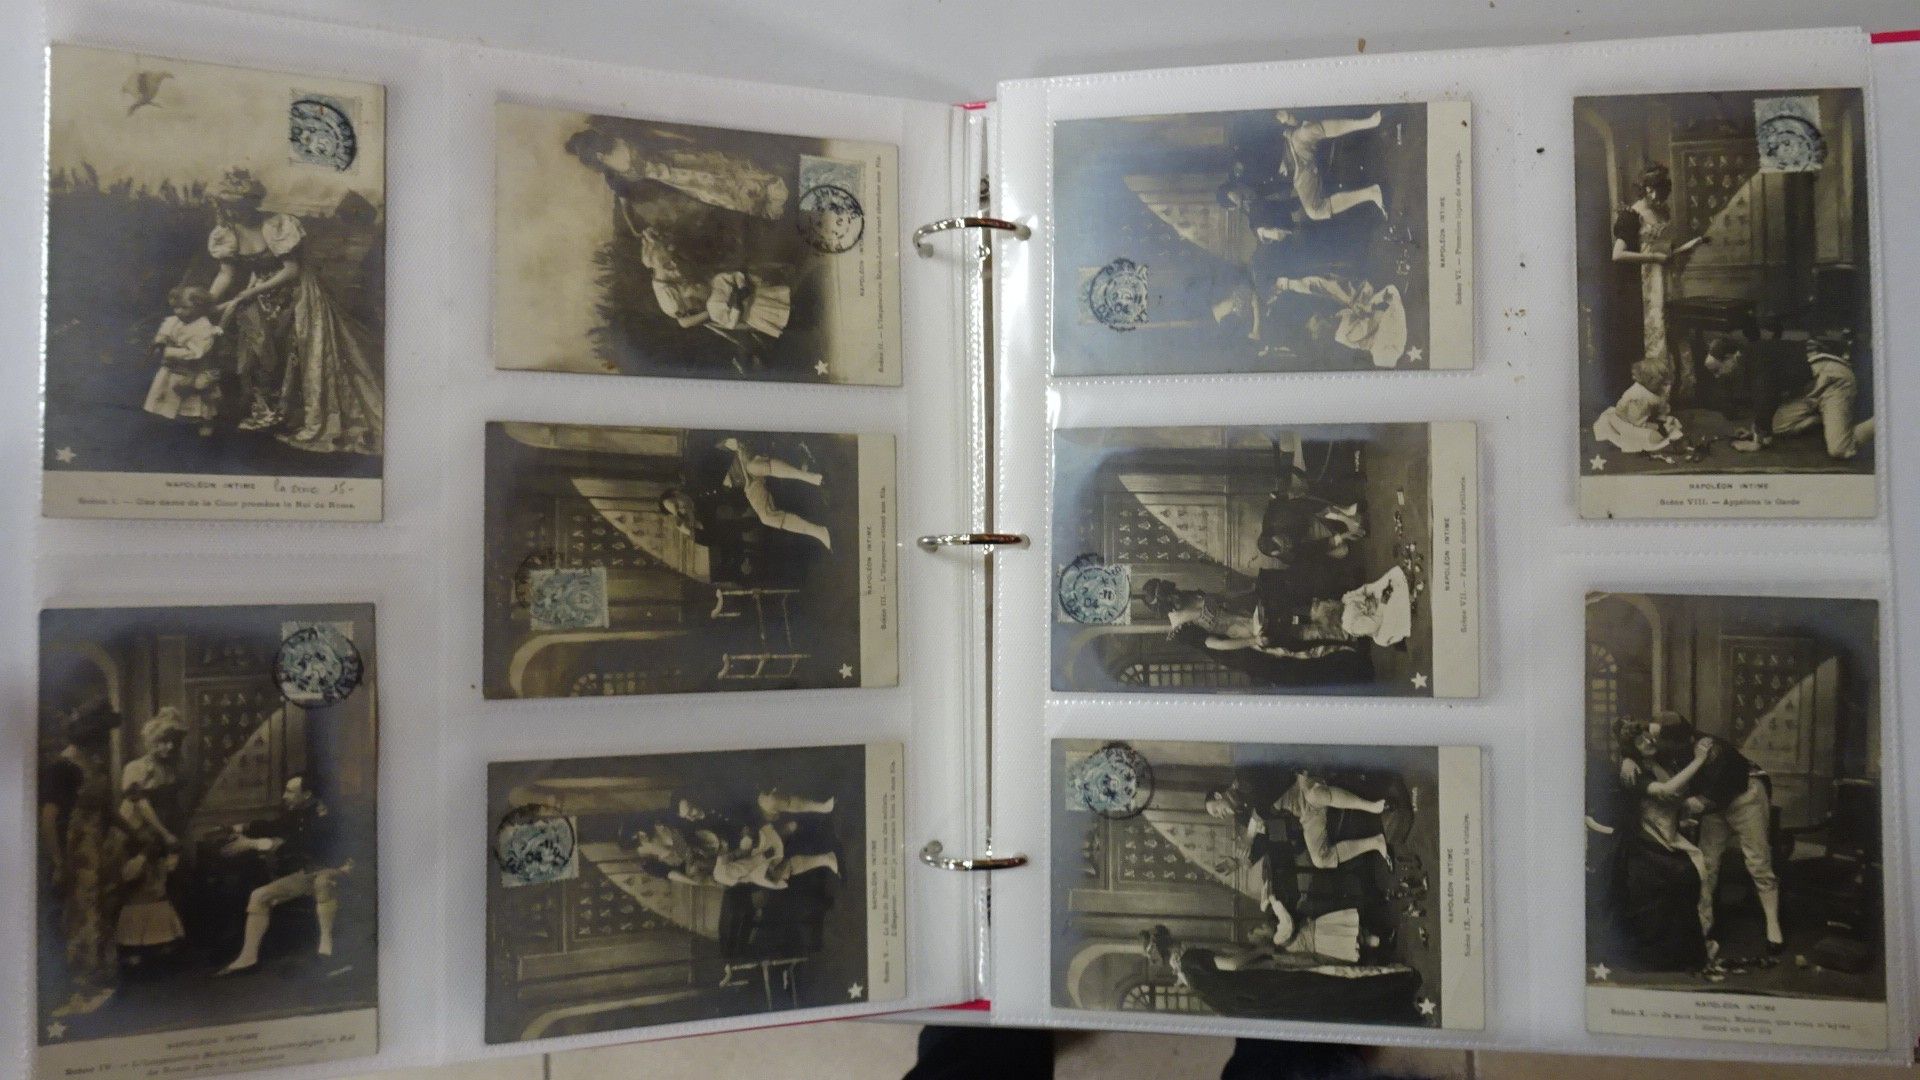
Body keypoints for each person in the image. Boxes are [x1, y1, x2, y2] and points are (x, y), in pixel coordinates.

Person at [206, 167, 383, 454]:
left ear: (251, 202)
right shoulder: (226, 233)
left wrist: (248, 294)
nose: (230, 212)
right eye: (225, 206)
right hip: (261, 293)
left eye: (236, 205)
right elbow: (226, 273)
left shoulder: (276, 225)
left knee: (299, 351)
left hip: (297, 292)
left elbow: (291, 270)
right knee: (260, 353)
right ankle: (268, 412)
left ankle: (294, 414)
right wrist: (207, 302)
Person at [1652, 713, 1784, 957]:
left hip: (1745, 797)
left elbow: (1714, 792)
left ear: (1681, 740)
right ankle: (1703, 927)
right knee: (1707, 863)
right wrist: (1628, 760)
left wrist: (1686, 803)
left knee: (1758, 861)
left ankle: (1773, 925)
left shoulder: (1712, 750)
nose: (1660, 746)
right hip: (1714, 806)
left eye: (1665, 742)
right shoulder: (1669, 747)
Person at [1140, 925, 1422, 1025]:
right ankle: (1400, 979)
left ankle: (1397, 1006)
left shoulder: (1190, 981)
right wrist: (1261, 950)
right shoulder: (1191, 958)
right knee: (1328, 980)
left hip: (1258, 1008)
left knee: (1324, 1005)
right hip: (1266, 987)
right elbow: (1233, 965)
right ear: (1170, 944)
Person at [1605, 719, 1716, 972]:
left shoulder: (1659, 760)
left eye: (1648, 736)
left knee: (1695, 871)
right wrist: (1699, 760)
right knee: (1683, 874)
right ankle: (1674, 952)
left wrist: (1680, 819)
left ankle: (1695, 943)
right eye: (1640, 741)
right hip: (1644, 839)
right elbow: (1665, 791)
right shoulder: (1632, 771)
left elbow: (1671, 799)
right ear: (1631, 749)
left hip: (1667, 833)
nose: (1648, 741)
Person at [41, 701, 129, 1018]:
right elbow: (48, 819)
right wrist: (58, 862)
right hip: (75, 854)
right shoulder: (62, 768)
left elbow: (106, 810)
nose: (104, 741)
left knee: (102, 913)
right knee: (82, 917)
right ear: (89, 734)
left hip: (101, 851)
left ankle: (102, 984)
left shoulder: (91, 765)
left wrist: (134, 833)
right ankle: (82, 988)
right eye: (100, 734)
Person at [216, 774, 353, 974]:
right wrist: (241, 827)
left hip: (341, 871)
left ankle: (327, 951)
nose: (284, 796)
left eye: (290, 792)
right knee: (259, 896)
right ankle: (248, 959)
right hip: (310, 873)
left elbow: (298, 843)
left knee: (322, 882)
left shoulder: (326, 815)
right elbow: (275, 825)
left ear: (306, 794)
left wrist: (251, 844)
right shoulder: (299, 812)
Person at [565, 126, 789, 220]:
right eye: (593, 154)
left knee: (721, 168)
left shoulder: (619, 138)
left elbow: (654, 135)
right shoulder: (613, 175)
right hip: (679, 180)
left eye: (593, 148)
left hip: (679, 158)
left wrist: (682, 138)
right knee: (716, 188)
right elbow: (626, 200)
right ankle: (765, 201)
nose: (597, 154)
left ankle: (769, 184)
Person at [1609, 163, 1708, 370]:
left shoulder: (1661, 212)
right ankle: (1658, 380)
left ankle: (1678, 377)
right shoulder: (1631, 215)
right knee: (1656, 326)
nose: (1660, 198)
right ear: (1647, 189)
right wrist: (1654, 258)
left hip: (1667, 278)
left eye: (1664, 193)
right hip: (1645, 282)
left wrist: (1685, 249)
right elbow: (1617, 254)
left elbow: (1666, 249)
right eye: (1657, 192)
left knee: (1674, 325)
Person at [660, 437, 832, 552]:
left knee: (753, 467)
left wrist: (727, 444)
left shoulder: (691, 475)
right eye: (678, 511)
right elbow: (714, 538)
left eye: (677, 504)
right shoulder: (700, 511)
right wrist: (691, 532)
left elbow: (713, 448)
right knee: (766, 517)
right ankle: (820, 532)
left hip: (740, 457)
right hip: (746, 484)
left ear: (676, 493)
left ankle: (813, 478)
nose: (681, 508)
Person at [114, 712, 187, 958]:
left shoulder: (170, 769)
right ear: (150, 742)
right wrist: (164, 834)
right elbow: (141, 804)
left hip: (159, 830)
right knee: (137, 885)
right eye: (162, 742)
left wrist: (172, 836)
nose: (169, 747)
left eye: (173, 742)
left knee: (158, 884)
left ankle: (156, 944)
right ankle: (133, 946)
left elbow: (173, 806)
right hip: (135, 830)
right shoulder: (135, 768)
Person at [1268, 274, 1409, 369]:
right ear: (1315, 336)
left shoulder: (1338, 317)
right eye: (1317, 320)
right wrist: (1370, 306)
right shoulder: (1346, 334)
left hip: (1377, 315)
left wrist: (1288, 284)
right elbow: (1375, 322)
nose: (1320, 316)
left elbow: (1322, 286)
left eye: (1317, 316)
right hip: (1387, 333)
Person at [1269, 110, 1387, 222]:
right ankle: (1371, 193)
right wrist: (1283, 179)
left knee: (1306, 131)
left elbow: (1286, 122)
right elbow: (1276, 193)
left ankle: (1369, 122)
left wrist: (1289, 118)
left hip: (1293, 143)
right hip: (1295, 174)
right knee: (1314, 211)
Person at [1770, 335, 1874, 461]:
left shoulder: (1755, 362)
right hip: (1806, 385)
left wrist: (1757, 435)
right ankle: (1823, 417)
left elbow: (1764, 396)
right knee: (1775, 427)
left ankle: (1884, 418)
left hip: (1831, 376)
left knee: (1840, 449)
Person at [141, 285, 223, 435]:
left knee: (198, 393)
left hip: (193, 367)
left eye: (184, 308)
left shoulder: (203, 328)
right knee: (166, 390)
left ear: (200, 308)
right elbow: (164, 334)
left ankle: (206, 421)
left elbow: (196, 353)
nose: (178, 312)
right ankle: (169, 418)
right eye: (176, 307)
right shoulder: (174, 321)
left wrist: (168, 351)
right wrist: (159, 342)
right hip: (173, 365)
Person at [1698, 336, 1776, 452]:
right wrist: (1755, 430)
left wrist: (1757, 443)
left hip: (1805, 385)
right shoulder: (1745, 356)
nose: (1717, 376)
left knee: (1777, 425)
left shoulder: (1755, 363)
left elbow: (1766, 398)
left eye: (1717, 370)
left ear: (1729, 358)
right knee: (1770, 424)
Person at [1592, 358, 1681, 454]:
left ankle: (1662, 434)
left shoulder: (1658, 391)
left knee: (1669, 425)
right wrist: (1654, 426)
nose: (1668, 387)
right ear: (1651, 382)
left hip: (1645, 417)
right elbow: (1635, 421)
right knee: (1654, 437)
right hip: (1626, 421)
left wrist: (1661, 419)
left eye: (1668, 383)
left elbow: (1662, 408)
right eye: (1664, 384)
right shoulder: (1639, 397)